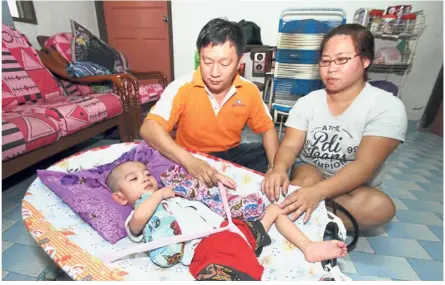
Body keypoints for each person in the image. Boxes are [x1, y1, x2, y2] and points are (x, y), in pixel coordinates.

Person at [261, 24, 407, 231]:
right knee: (306, 178)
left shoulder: (387, 107)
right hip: (311, 172)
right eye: (326, 61)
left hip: (353, 186)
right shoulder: (308, 102)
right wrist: (279, 169)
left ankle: (295, 216)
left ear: (365, 60)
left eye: (341, 60)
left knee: (380, 207)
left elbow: (364, 166)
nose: (331, 68)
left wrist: (317, 193)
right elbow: (290, 146)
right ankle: (309, 218)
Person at [106, 161, 347, 278]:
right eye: (134, 179)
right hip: (206, 244)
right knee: (223, 260)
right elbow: (139, 218)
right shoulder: (138, 214)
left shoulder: (174, 196)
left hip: (229, 230)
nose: (146, 178)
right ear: (119, 197)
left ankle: (309, 247)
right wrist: (159, 194)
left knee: (274, 209)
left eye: (147, 174)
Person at [140, 18, 279, 188]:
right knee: (156, 159)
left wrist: (274, 168)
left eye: (224, 63)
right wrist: (191, 162)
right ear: (200, 57)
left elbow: (267, 128)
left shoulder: (249, 90)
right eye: (207, 62)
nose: (214, 72)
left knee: (276, 157)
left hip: (230, 155)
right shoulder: (182, 87)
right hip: (190, 154)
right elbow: (148, 128)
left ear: (239, 61)